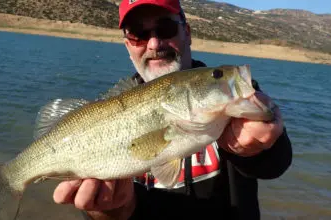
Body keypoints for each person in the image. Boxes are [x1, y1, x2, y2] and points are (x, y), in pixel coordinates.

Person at [52, 0, 293, 219]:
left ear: (186, 33)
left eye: (166, 29)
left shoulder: (225, 94)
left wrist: (258, 145)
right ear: (128, 45)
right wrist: (109, 211)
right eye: (138, 34)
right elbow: (101, 207)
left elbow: (275, 165)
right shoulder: (106, 111)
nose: (154, 44)